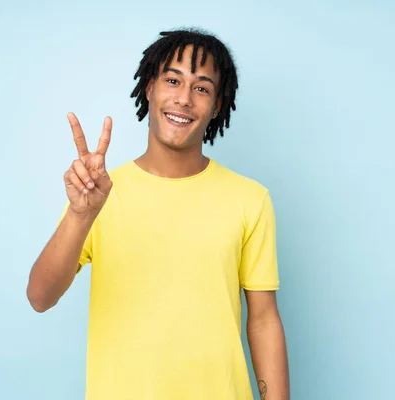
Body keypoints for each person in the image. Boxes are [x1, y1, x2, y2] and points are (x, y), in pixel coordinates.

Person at [27, 28, 290, 400]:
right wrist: (80, 215)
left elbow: (263, 320)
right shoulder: (100, 193)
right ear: (149, 87)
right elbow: (40, 297)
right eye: (172, 80)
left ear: (216, 106)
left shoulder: (249, 199)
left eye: (201, 88)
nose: (183, 98)